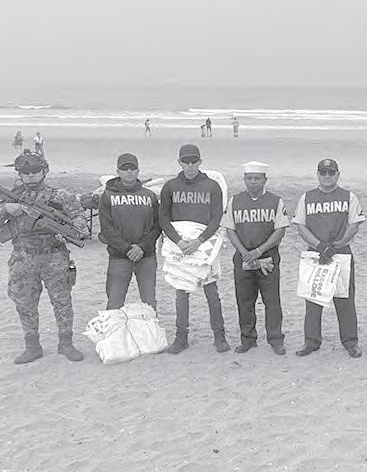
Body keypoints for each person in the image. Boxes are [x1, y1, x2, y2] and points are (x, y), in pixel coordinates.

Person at [0, 152, 89, 364]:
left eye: (35, 171)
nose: (31, 176)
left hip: (54, 256)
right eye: (26, 172)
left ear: (45, 171)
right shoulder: (9, 197)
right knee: (25, 303)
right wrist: (6, 209)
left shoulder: (60, 196)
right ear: (19, 174)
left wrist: (69, 232)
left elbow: (80, 220)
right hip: (23, 257)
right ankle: (32, 347)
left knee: (62, 301)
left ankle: (66, 344)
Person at [159, 143, 229, 354]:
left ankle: (219, 336)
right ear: (179, 162)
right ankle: (181, 338)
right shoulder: (170, 187)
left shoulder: (212, 186)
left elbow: (216, 217)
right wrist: (177, 241)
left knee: (211, 292)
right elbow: (163, 218)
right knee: (182, 293)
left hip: (204, 245)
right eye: (186, 162)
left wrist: (200, 241)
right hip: (180, 246)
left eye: (194, 162)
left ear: (200, 162)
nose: (190, 166)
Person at [292, 158, 366, 358]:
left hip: (340, 252)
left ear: (337, 175)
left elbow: (354, 225)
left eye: (331, 173)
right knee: (313, 299)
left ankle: (350, 342)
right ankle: (311, 342)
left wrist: (339, 244)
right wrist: (319, 245)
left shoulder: (349, 197)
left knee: (345, 299)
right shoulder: (307, 198)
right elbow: (301, 226)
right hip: (315, 253)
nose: (327, 176)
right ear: (317, 174)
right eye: (323, 172)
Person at [222, 161, 289, 355]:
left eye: (257, 178)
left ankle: (275, 339)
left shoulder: (275, 201)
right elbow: (230, 230)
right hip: (243, 258)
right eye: (249, 178)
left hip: (268, 257)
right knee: (244, 300)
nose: (253, 182)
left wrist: (259, 251)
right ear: (244, 179)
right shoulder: (235, 201)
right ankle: (248, 339)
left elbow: (280, 231)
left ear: (265, 180)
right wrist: (245, 252)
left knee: (272, 301)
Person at [98, 153, 161, 310]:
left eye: (132, 168)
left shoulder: (150, 196)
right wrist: (127, 249)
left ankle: (151, 327)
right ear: (118, 171)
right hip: (119, 257)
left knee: (149, 302)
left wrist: (142, 247)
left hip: (146, 256)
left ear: (138, 171)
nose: (129, 171)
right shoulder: (107, 196)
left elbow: (157, 225)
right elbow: (107, 228)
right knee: (114, 303)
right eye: (125, 168)